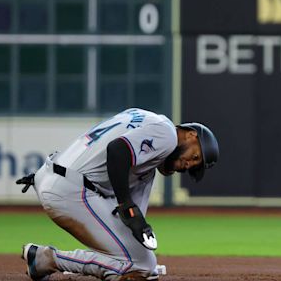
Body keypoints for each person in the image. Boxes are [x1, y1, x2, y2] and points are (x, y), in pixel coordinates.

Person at [16, 108, 219, 281]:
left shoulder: (143, 124)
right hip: (70, 190)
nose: (188, 165)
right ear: (192, 134)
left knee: (140, 260)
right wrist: (126, 204)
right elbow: (117, 150)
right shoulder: (167, 134)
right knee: (141, 267)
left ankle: (43, 260)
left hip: (55, 175)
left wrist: (135, 230)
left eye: (194, 166)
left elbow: (128, 224)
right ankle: (47, 259)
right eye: (194, 157)